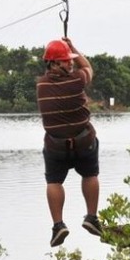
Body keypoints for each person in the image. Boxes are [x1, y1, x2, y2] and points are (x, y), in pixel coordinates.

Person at [36, 37, 101, 247]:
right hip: (84, 143)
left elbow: (75, 66)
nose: (71, 63)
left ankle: (58, 225)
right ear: (54, 63)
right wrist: (74, 48)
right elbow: (88, 66)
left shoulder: (42, 85)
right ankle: (91, 217)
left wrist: (67, 51)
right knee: (90, 174)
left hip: (56, 146)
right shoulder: (76, 80)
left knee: (54, 181)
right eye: (66, 60)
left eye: (70, 60)